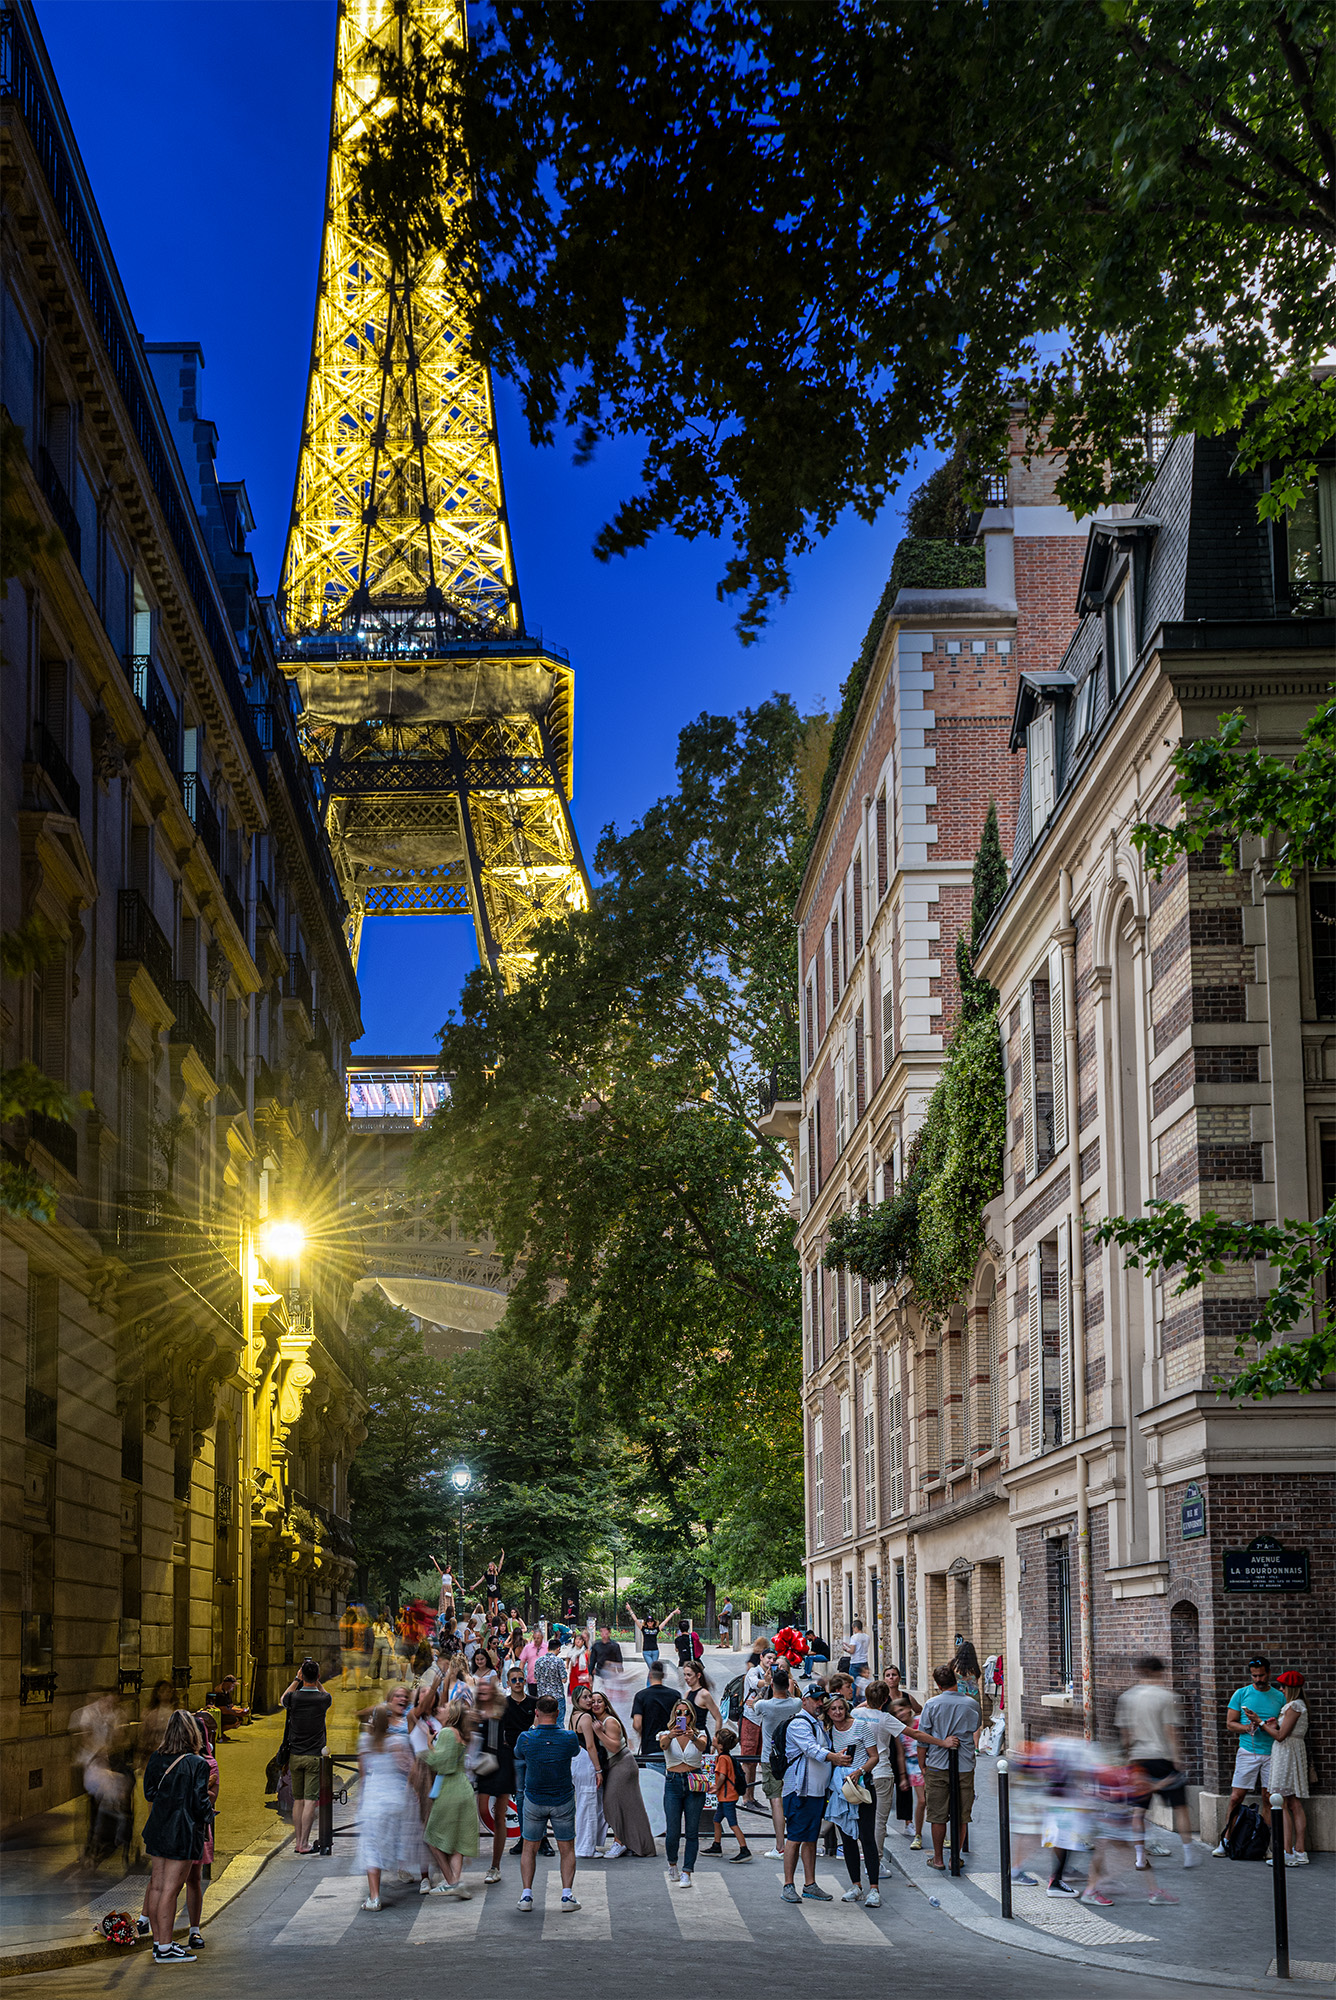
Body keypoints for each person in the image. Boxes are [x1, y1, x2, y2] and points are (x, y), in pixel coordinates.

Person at [1114, 1654, 1207, 1870]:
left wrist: (1127, 1758)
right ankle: (1189, 1854)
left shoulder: (1127, 1697)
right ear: (1159, 1672)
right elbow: (1170, 1730)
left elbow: (1125, 1734)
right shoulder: (1167, 1697)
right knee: (1180, 1807)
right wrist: (1177, 1758)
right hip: (1162, 1756)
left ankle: (1139, 1858)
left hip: (1138, 1758)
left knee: (1139, 1810)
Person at [142, 1711, 213, 1962]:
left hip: (158, 1828)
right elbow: (200, 1802)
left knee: (158, 1887)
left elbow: (149, 1793)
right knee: (172, 1889)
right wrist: (210, 1812)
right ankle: (166, 1947)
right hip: (182, 1832)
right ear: (192, 1734)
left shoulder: (156, 1758)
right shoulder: (198, 1764)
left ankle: (158, 1943)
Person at [357, 1687, 426, 1910]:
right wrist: (412, 1789)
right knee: (392, 1838)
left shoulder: (365, 1743)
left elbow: (363, 1775)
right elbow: (412, 1769)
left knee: (371, 1848)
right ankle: (401, 1866)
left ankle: (375, 1897)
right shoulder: (398, 1742)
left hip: (373, 1800)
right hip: (396, 1799)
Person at [779, 1684, 849, 1902]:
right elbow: (811, 1750)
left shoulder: (816, 1724)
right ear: (805, 1701)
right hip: (800, 1791)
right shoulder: (799, 1724)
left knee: (810, 1838)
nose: (820, 1703)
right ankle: (788, 1885)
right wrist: (834, 1757)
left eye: (822, 1700)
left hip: (815, 1793)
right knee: (795, 1837)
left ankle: (810, 1884)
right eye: (816, 1699)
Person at [514, 1695, 582, 1914]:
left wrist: (533, 1729)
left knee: (529, 1847)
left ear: (536, 1712)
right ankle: (566, 1895)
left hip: (534, 1799)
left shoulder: (526, 1738)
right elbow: (575, 1752)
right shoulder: (570, 1738)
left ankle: (526, 1894)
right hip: (562, 1798)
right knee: (567, 1848)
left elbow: (518, 1754)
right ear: (558, 1713)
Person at [1214, 1655, 1286, 1853]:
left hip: (1273, 1753)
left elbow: (1286, 1724)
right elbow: (1230, 1723)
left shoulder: (1280, 1696)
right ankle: (1226, 1840)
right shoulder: (1241, 1693)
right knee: (1236, 1797)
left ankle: (1263, 1842)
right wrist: (1247, 1727)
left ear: (1269, 1673)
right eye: (1254, 1676)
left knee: (1269, 1799)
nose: (1258, 1680)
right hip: (1248, 1751)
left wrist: (1274, 1724)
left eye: (1261, 1675)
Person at [917, 1664, 978, 1871]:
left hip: (937, 1763)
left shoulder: (931, 1704)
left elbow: (922, 1738)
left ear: (937, 1684)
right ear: (955, 1679)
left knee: (937, 1814)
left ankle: (938, 1858)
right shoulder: (971, 1703)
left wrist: (922, 1764)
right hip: (964, 1764)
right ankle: (955, 1857)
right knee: (961, 1814)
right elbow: (975, 1725)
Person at [823, 1692, 882, 1905]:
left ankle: (874, 1888)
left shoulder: (860, 1726)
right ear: (828, 1712)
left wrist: (860, 1771)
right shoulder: (827, 1732)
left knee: (866, 1837)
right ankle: (856, 1885)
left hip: (862, 1787)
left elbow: (874, 1756)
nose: (837, 1712)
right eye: (833, 1709)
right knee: (847, 1839)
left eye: (840, 1708)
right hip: (841, 1790)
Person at [745, 1662, 803, 1861]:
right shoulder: (795, 1704)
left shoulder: (765, 1705)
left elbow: (754, 1707)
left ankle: (780, 1846)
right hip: (793, 1759)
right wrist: (792, 1688)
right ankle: (796, 1842)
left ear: (772, 1685)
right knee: (794, 1799)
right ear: (788, 1685)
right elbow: (798, 1700)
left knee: (775, 1801)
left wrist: (765, 1686)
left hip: (771, 1758)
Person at [420, 1699, 477, 1897]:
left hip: (450, 1789)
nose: (440, 1709)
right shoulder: (462, 1734)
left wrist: (428, 1746)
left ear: (451, 1714)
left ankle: (452, 1882)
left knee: (432, 1838)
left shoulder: (446, 1733)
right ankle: (457, 1881)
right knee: (457, 1841)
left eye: (445, 1707)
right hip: (463, 1787)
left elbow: (441, 1764)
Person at [591, 1688, 655, 1858]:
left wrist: (599, 1733)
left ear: (606, 1705)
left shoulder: (609, 1722)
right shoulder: (597, 1721)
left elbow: (615, 1747)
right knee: (629, 1806)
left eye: (600, 1701)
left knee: (612, 1803)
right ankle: (634, 1842)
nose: (596, 1704)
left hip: (622, 1764)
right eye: (593, 1701)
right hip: (614, 1766)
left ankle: (620, 1842)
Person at [281, 1658, 332, 1856]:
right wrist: (315, 1681)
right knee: (310, 1800)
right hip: (313, 1756)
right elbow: (326, 1694)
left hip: (295, 1755)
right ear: (318, 1677)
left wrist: (296, 1679)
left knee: (298, 1800)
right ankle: (304, 1842)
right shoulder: (322, 1700)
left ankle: (297, 1842)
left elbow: (283, 1698)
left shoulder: (293, 1698)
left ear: (302, 1675)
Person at [1258, 1670, 1310, 1865]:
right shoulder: (1298, 1706)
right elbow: (1284, 1730)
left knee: (1280, 1802)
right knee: (1293, 1802)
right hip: (1292, 1752)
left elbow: (1281, 1736)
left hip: (1286, 1753)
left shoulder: (1294, 1706)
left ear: (1291, 1689)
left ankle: (1287, 1853)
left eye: (1283, 1686)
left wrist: (1261, 1723)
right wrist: (1273, 1724)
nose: (1280, 1689)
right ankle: (1300, 1851)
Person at [659, 1698, 710, 1888]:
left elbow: (703, 1747)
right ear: (674, 1715)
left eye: (686, 1713)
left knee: (692, 1831)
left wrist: (692, 1737)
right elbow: (663, 1746)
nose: (682, 1716)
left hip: (693, 1781)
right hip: (673, 1781)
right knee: (672, 1830)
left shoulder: (700, 1733)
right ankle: (672, 1864)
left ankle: (687, 1871)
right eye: (679, 1713)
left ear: (691, 1716)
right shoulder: (666, 1734)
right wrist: (672, 1735)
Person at [183, 1713, 220, 1951]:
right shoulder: (174, 1760)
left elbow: (212, 1798)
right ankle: (151, 1925)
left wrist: (201, 1791)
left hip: (197, 1827)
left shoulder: (209, 1763)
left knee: (193, 1879)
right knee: (169, 1881)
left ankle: (194, 1930)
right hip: (177, 1827)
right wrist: (202, 1787)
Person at [568, 1687, 607, 1857]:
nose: (589, 1699)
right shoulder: (585, 1717)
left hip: (577, 1761)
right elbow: (590, 1746)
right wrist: (598, 1769)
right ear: (577, 1699)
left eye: (590, 1696)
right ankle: (586, 1848)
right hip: (586, 1761)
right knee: (588, 1805)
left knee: (585, 1804)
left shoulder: (574, 1716)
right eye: (585, 1697)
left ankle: (586, 1845)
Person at [704, 1726, 752, 1862]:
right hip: (726, 1796)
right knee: (716, 1820)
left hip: (727, 1797)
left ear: (720, 1745)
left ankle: (744, 1849)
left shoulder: (723, 1759)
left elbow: (722, 1775)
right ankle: (716, 1845)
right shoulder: (726, 1756)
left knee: (733, 1824)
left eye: (715, 1738)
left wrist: (716, 1788)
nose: (713, 1738)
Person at [682, 1658, 721, 1740]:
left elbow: (718, 1718)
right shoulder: (687, 1694)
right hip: (687, 1738)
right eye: (684, 1675)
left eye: (689, 1675)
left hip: (700, 1737)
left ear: (698, 1675)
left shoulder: (704, 1694)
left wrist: (716, 1741)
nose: (686, 1678)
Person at [535, 1630, 569, 1725]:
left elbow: (536, 1678)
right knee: (558, 1722)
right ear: (558, 1648)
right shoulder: (559, 1661)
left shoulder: (539, 1661)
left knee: (542, 1722)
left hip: (542, 1696)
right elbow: (564, 1679)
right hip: (557, 1696)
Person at [630, 1603, 677, 1667]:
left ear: (653, 1622)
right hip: (646, 1651)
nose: (650, 1622)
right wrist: (630, 1610)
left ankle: (653, 1677)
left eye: (651, 1621)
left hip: (655, 1651)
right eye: (648, 1621)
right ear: (646, 1622)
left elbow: (665, 1621)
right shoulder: (643, 1629)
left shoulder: (656, 1629)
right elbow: (635, 1620)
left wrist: (673, 1613)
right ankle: (653, 1677)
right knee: (651, 1667)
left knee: (654, 1669)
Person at [845, 1619, 871, 1692]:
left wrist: (846, 1649)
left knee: (854, 1683)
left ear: (855, 1627)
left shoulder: (854, 1637)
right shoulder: (867, 1637)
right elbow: (860, 1647)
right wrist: (848, 1645)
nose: (853, 1630)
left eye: (853, 1628)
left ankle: (855, 1701)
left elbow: (852, 1651)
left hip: (855, 1662)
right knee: (864, 1683)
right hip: (864, 1661)